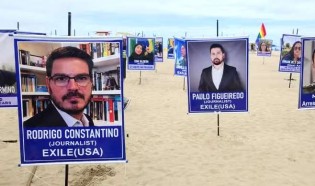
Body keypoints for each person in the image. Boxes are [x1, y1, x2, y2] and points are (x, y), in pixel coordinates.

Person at [24, 46, 95, 127]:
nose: (73, 87)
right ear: (48, 84)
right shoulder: (28, 130)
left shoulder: (88, 120)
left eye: (82, 78)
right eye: (61, 79)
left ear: (91, 82)